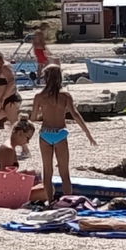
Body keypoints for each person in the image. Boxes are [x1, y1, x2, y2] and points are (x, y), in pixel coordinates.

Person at [30, 64, 98, 203]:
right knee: (64, 172)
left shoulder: (39, 96)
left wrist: (42, 114)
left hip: (45, 134)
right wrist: (88, 134)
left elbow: (34, 118)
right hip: (60, 134)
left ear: (45, 78)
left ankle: (50, 202)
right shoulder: (65, 96)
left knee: (47, 172)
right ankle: (69, 202)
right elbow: (76, 115)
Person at [0, 117, 47, 202]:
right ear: (20, 133)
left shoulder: (9, 146)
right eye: (27, 138)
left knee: (34, 173)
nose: (27, 142)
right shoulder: (8, 150)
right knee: (47, 191)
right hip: (2, 194)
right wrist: (25, 179)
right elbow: (6, 180)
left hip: (0, 189)